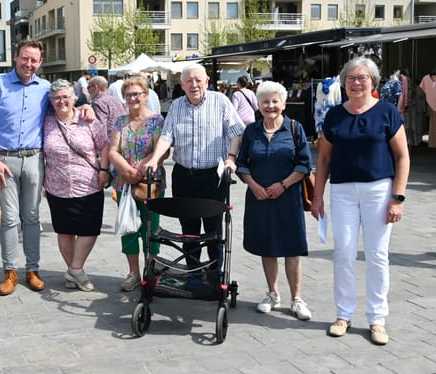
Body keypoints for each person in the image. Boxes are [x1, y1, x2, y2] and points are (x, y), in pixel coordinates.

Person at [311, 57, 410, 346]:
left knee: (377, 255)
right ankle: (343, 314)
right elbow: (324, 158)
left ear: (373, 82)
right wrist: (317, 196)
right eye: (351, 77)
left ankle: (377, 319)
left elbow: (402, 157)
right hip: (342, 191)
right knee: (343, 252)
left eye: (362, 77)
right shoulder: (334, 115)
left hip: (379, 190)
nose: (356, 82)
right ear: (344, 82)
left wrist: (398, 198)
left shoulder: (387, 112)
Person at [144, 63, 245, 270]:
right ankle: (193, 273)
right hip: (183, 175)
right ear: (182, 84)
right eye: (189, 80)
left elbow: (236, 131)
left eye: (198, 80)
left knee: (213, 229)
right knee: (188, 229)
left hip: (212, 177)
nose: (194, 84)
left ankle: (216, 273)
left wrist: (231, 158)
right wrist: (154, 159)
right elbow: (166, 136)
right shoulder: (177, 105)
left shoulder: (221, 101)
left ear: (207, 82)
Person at [0, 39, 52, 296]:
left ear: (40, 62)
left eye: (34, 60)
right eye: (25, 58)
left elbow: (64, 113)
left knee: (31, 217)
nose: (28, 64)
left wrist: (85, 107)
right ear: (16, 57)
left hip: (34, 159)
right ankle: (10, 271)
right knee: (9, 218)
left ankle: (32, 269)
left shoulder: (46, 88)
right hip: (4, 160)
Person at [236, 81, 313, 320]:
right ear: (258, 105)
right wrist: (254, 185)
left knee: (292, 248)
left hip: (288, 199)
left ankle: (297, 298)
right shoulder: (251, 131)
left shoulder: (294, 128)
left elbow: (304, 163)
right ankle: (273, 293)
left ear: (283, 103)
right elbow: (242, 163)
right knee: (267, 247)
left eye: (275, 101)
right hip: (259, 198)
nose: (270, 106)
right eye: (265, 101)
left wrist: (283, 184)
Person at [43, 80, 110, 291]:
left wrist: (104, 170)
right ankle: (75, 273)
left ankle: (75, 269)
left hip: (89, 183)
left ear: (74, 99)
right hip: (57, 186)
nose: (61, 101)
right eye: (56, 98)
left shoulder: (87, 119)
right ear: (51, 101)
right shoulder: (45, 121)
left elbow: (105, 145)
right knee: (64, 231)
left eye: (65, 97)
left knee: (90, 229)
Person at [109, 76, 167, 291]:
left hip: (150, 182)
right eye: (128, 95)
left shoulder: (156, 121)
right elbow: (113, 150)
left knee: (151, 227)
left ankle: (151, 269)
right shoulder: (120, 121)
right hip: (124, 184)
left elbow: (162, 151)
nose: (132, 98)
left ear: (146, 96)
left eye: (136, 94)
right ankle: (133, 273)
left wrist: (140, 167)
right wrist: (126, 170)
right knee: (129, 228)